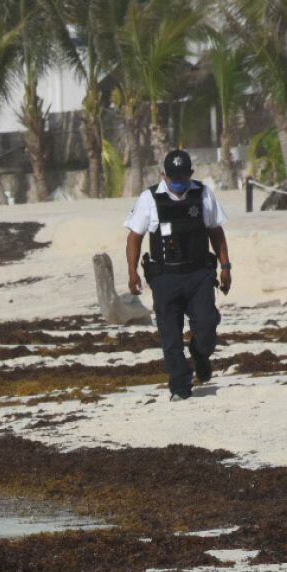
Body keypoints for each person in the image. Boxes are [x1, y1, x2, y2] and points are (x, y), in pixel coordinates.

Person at [124, 149, 232, 401]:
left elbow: (216, 232)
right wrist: (132, 273)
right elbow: (134, 237)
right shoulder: (149, 199)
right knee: (170, 336)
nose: (179, 182)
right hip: (165, 278)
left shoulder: (203, 194)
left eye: (183, 177)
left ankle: (199, 353)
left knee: (206, 326)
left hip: (199, 275)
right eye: (174, 178)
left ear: (191, 174)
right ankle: (180, 388)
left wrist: (226, 267)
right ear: (164, 175)